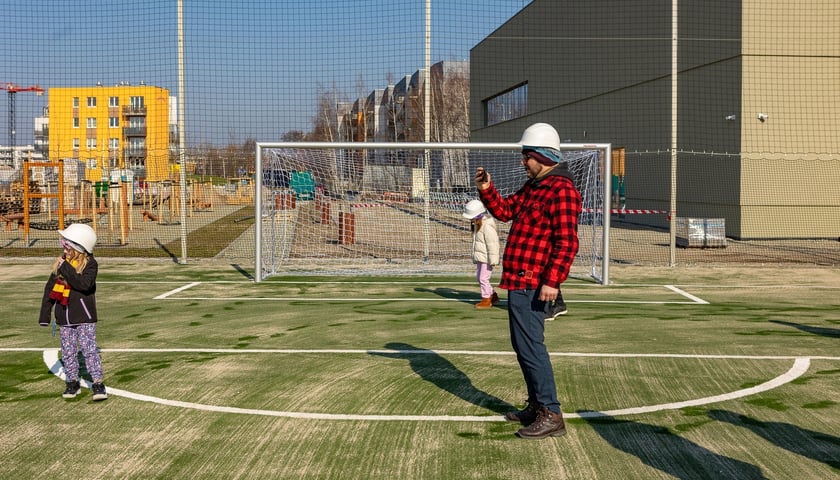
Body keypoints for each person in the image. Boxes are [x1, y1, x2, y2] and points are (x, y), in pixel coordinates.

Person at [474, 122, 581, 439]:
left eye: (527, 155)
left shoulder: (562, 190)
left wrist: (553, 281)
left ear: (543, 156)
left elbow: (567, 242)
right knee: (523, 347)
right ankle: (537, 406)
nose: (523, 161)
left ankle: (551, 413)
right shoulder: (534, 187)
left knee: (532, 348)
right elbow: (506, 211)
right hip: (519, 281)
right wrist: (487, 190)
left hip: (535, 284)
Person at [39, 223, 108, 401]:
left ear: (78, 246)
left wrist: (65, 268)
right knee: (68, 352)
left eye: (67, 243)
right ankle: (72, 382)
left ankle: (98, 383)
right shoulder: (61, 265)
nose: (64, 246)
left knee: (89, 350)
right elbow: (49, 290)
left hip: (85, 317)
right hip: (64, 319)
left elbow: (83, 285)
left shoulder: (90, 265)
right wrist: (45, 315)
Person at [462, 199, 501, 309]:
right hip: (481, 256)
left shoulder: (486, 226)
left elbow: (493, 244)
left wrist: (493, 259)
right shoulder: (478, 224)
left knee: (483, 278)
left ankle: (486, 299)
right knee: (481, 277)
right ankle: (492, 295)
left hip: (487, 258)